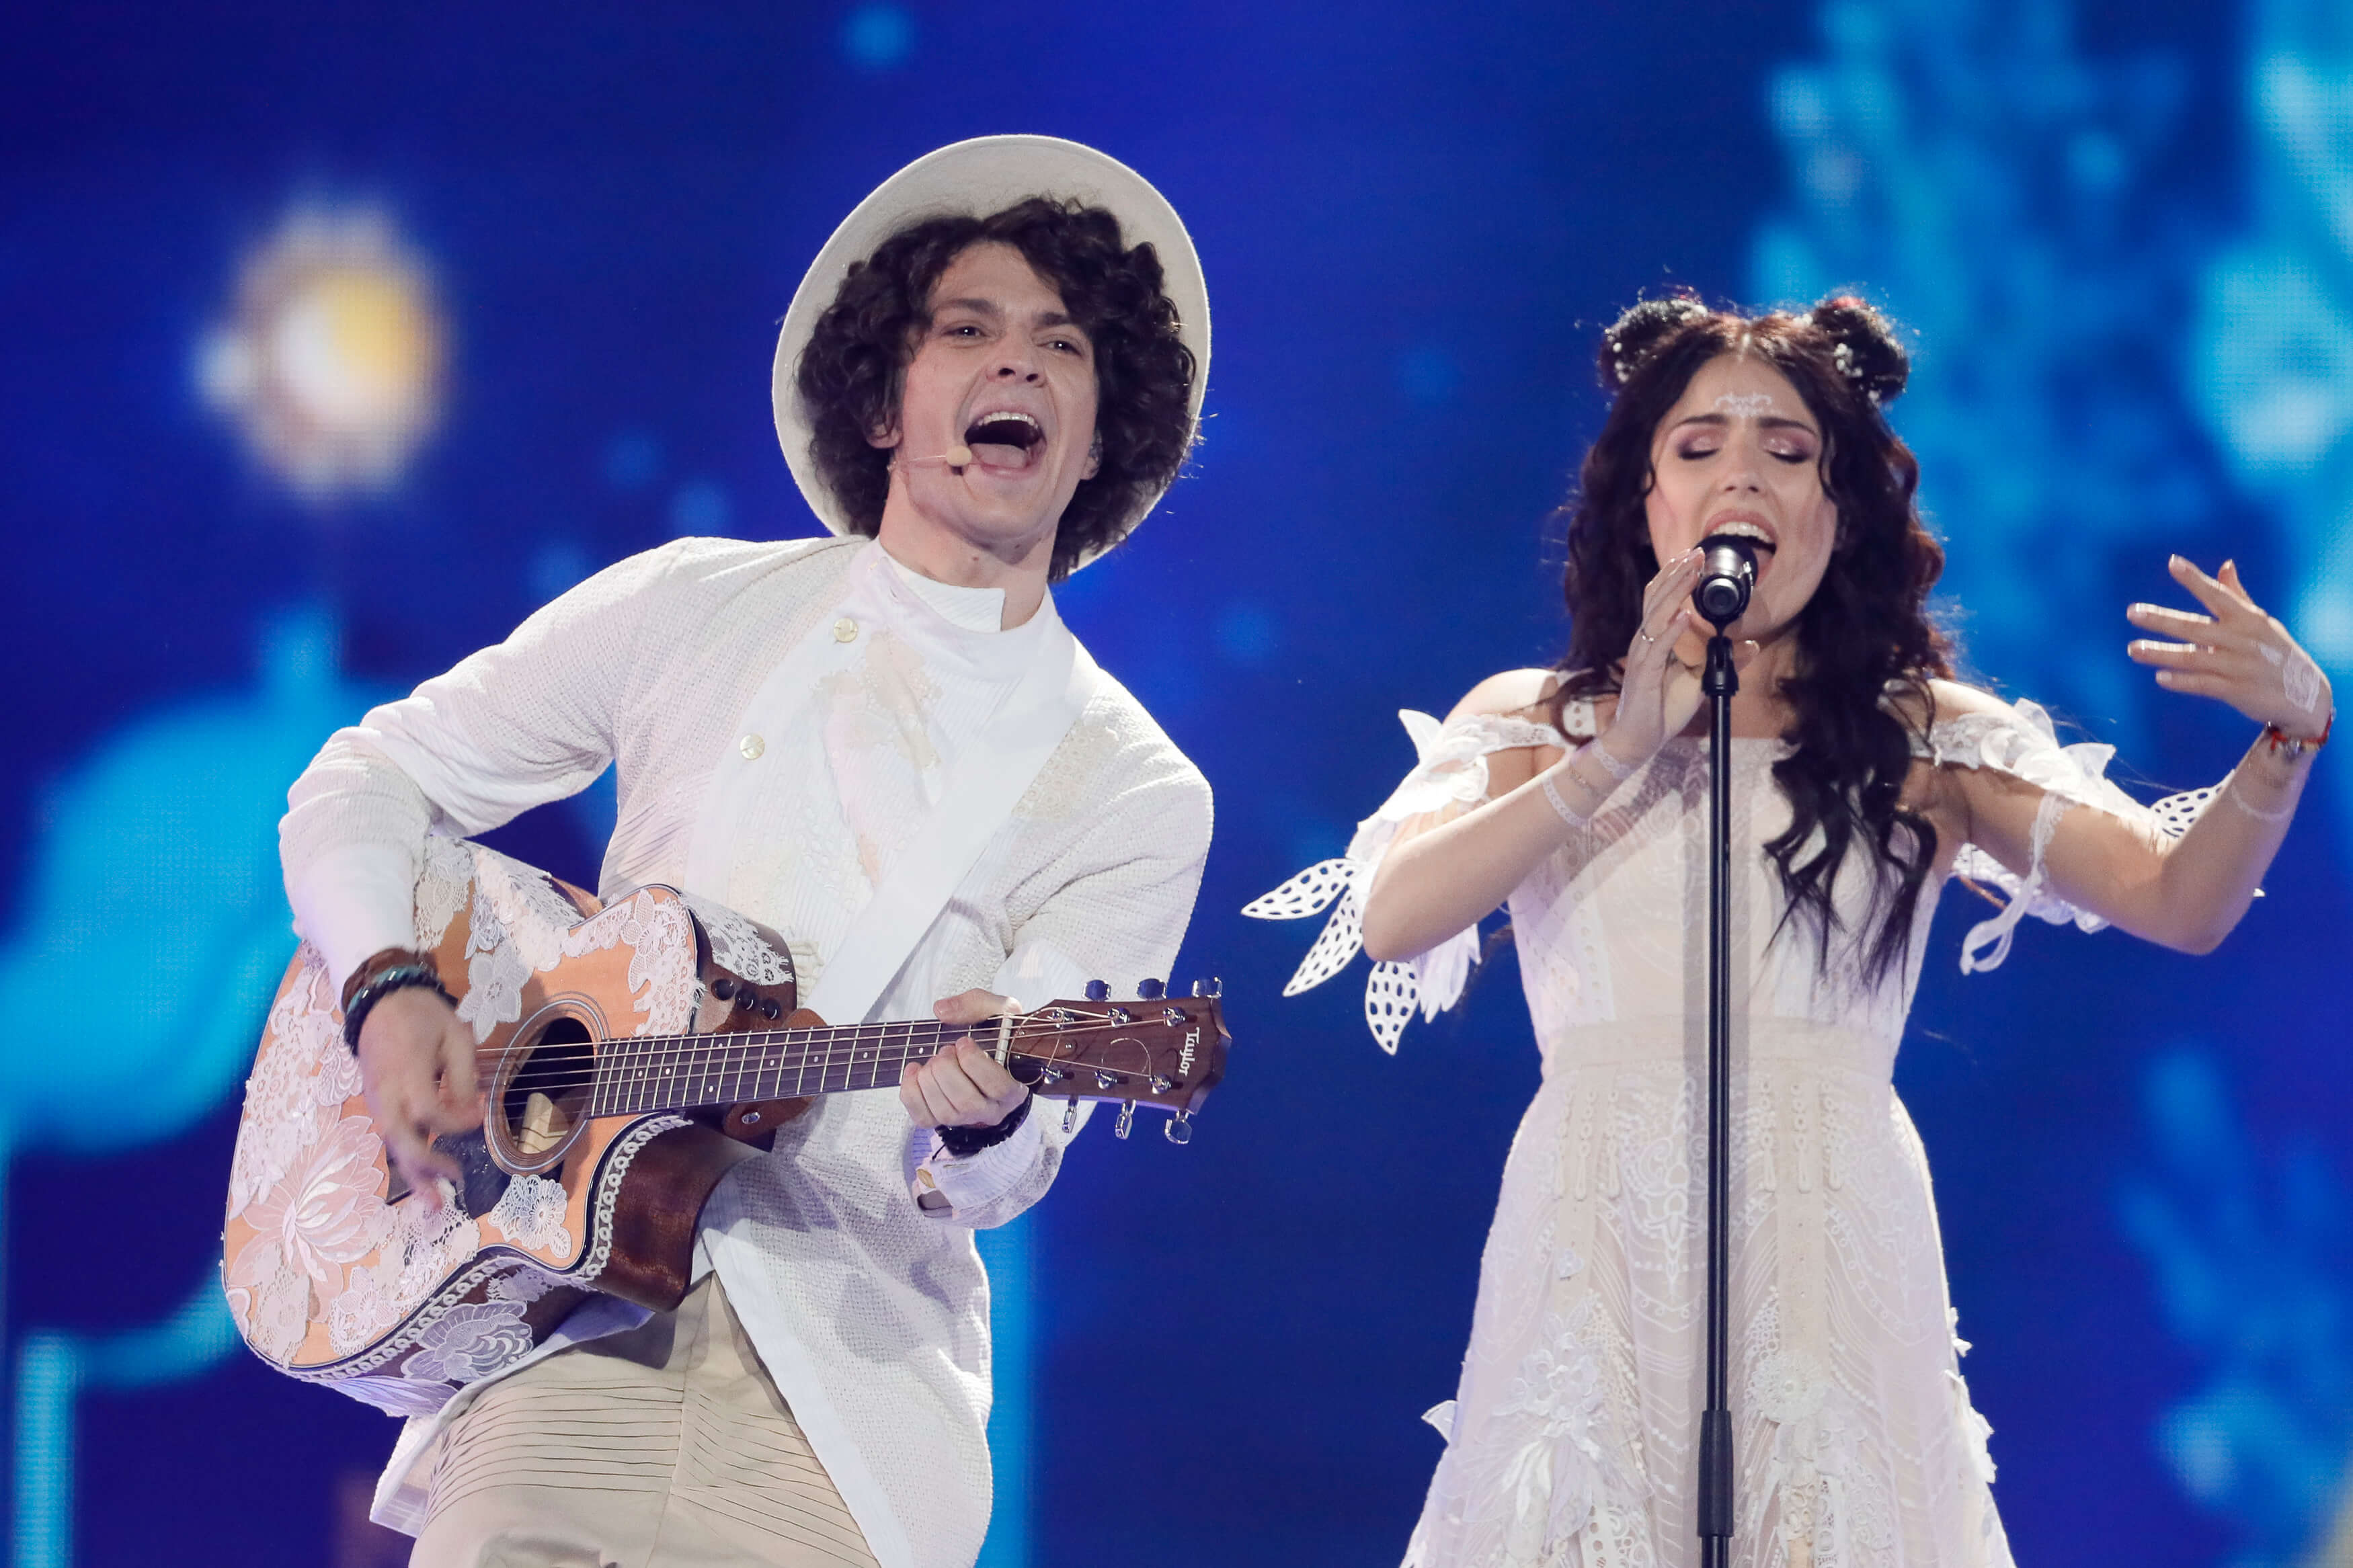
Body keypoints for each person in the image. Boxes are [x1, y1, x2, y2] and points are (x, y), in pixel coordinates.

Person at [1250, 292, 2333, 1567]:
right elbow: (1394, 915)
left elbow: (2179, 898)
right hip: (1596, 1247)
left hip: (1834, 1247)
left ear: (1838, 507)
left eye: (1786, 448)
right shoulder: (1537, 720)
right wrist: (1616, 754)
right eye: (1699, 447)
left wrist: (2288, 738)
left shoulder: (1924, 731)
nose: (1741, 474)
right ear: (1645, 500)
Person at [277, 136, 1213, 1568]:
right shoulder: (695, 604)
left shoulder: (1134, 784)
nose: (1014, 365)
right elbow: (364, 781)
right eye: (966, 329)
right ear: (885, 405)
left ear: (1101, 433)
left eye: (1062, 345)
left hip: (834, 1408)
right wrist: (389, 990)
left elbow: (1011, 1169)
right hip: (552, 1341)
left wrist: (986, 1111)